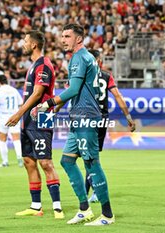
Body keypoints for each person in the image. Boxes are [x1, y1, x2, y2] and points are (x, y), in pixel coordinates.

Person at [32, 23, 115, 226]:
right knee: (67, 161)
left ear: (78, 38)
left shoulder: (79, 57)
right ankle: (84, 209)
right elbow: (75, 89)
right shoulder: (86, 57)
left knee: (91, 163)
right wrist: (56, 107)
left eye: (67, 36)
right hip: (79, 116)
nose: (63, 40)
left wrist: (48, 104)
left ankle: (107, 215)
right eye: (62, 36)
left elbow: (74, 89)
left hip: (87, 116)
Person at [5, 31, 64, 219]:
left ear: (33, 45)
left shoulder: (44, 64)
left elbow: (39, 93)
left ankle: (57, 208)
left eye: (25, 41)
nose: (23, 44)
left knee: (46, 162)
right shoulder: (33, 65)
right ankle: (35, 206)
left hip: (42, 117)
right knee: (29, 161)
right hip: (28, 120)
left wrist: (18, 113)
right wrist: (22, 117)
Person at [85, 49, 136, 203]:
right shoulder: (106, 76)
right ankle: (92, 192)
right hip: (102, 119)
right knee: (93, 157)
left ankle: (90, 193)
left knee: (87, 158)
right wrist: (128, 117)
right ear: (99, 61)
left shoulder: (83, 75)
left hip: (86, 118)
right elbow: (118, 96)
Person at [0, 75, 23, 168]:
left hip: (3, 118)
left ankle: (5, 161)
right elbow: (21, 103)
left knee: (2, 140)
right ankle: (20, 159)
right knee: (16, 139)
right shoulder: (14, 90)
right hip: (14, 116)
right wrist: (18, 114)